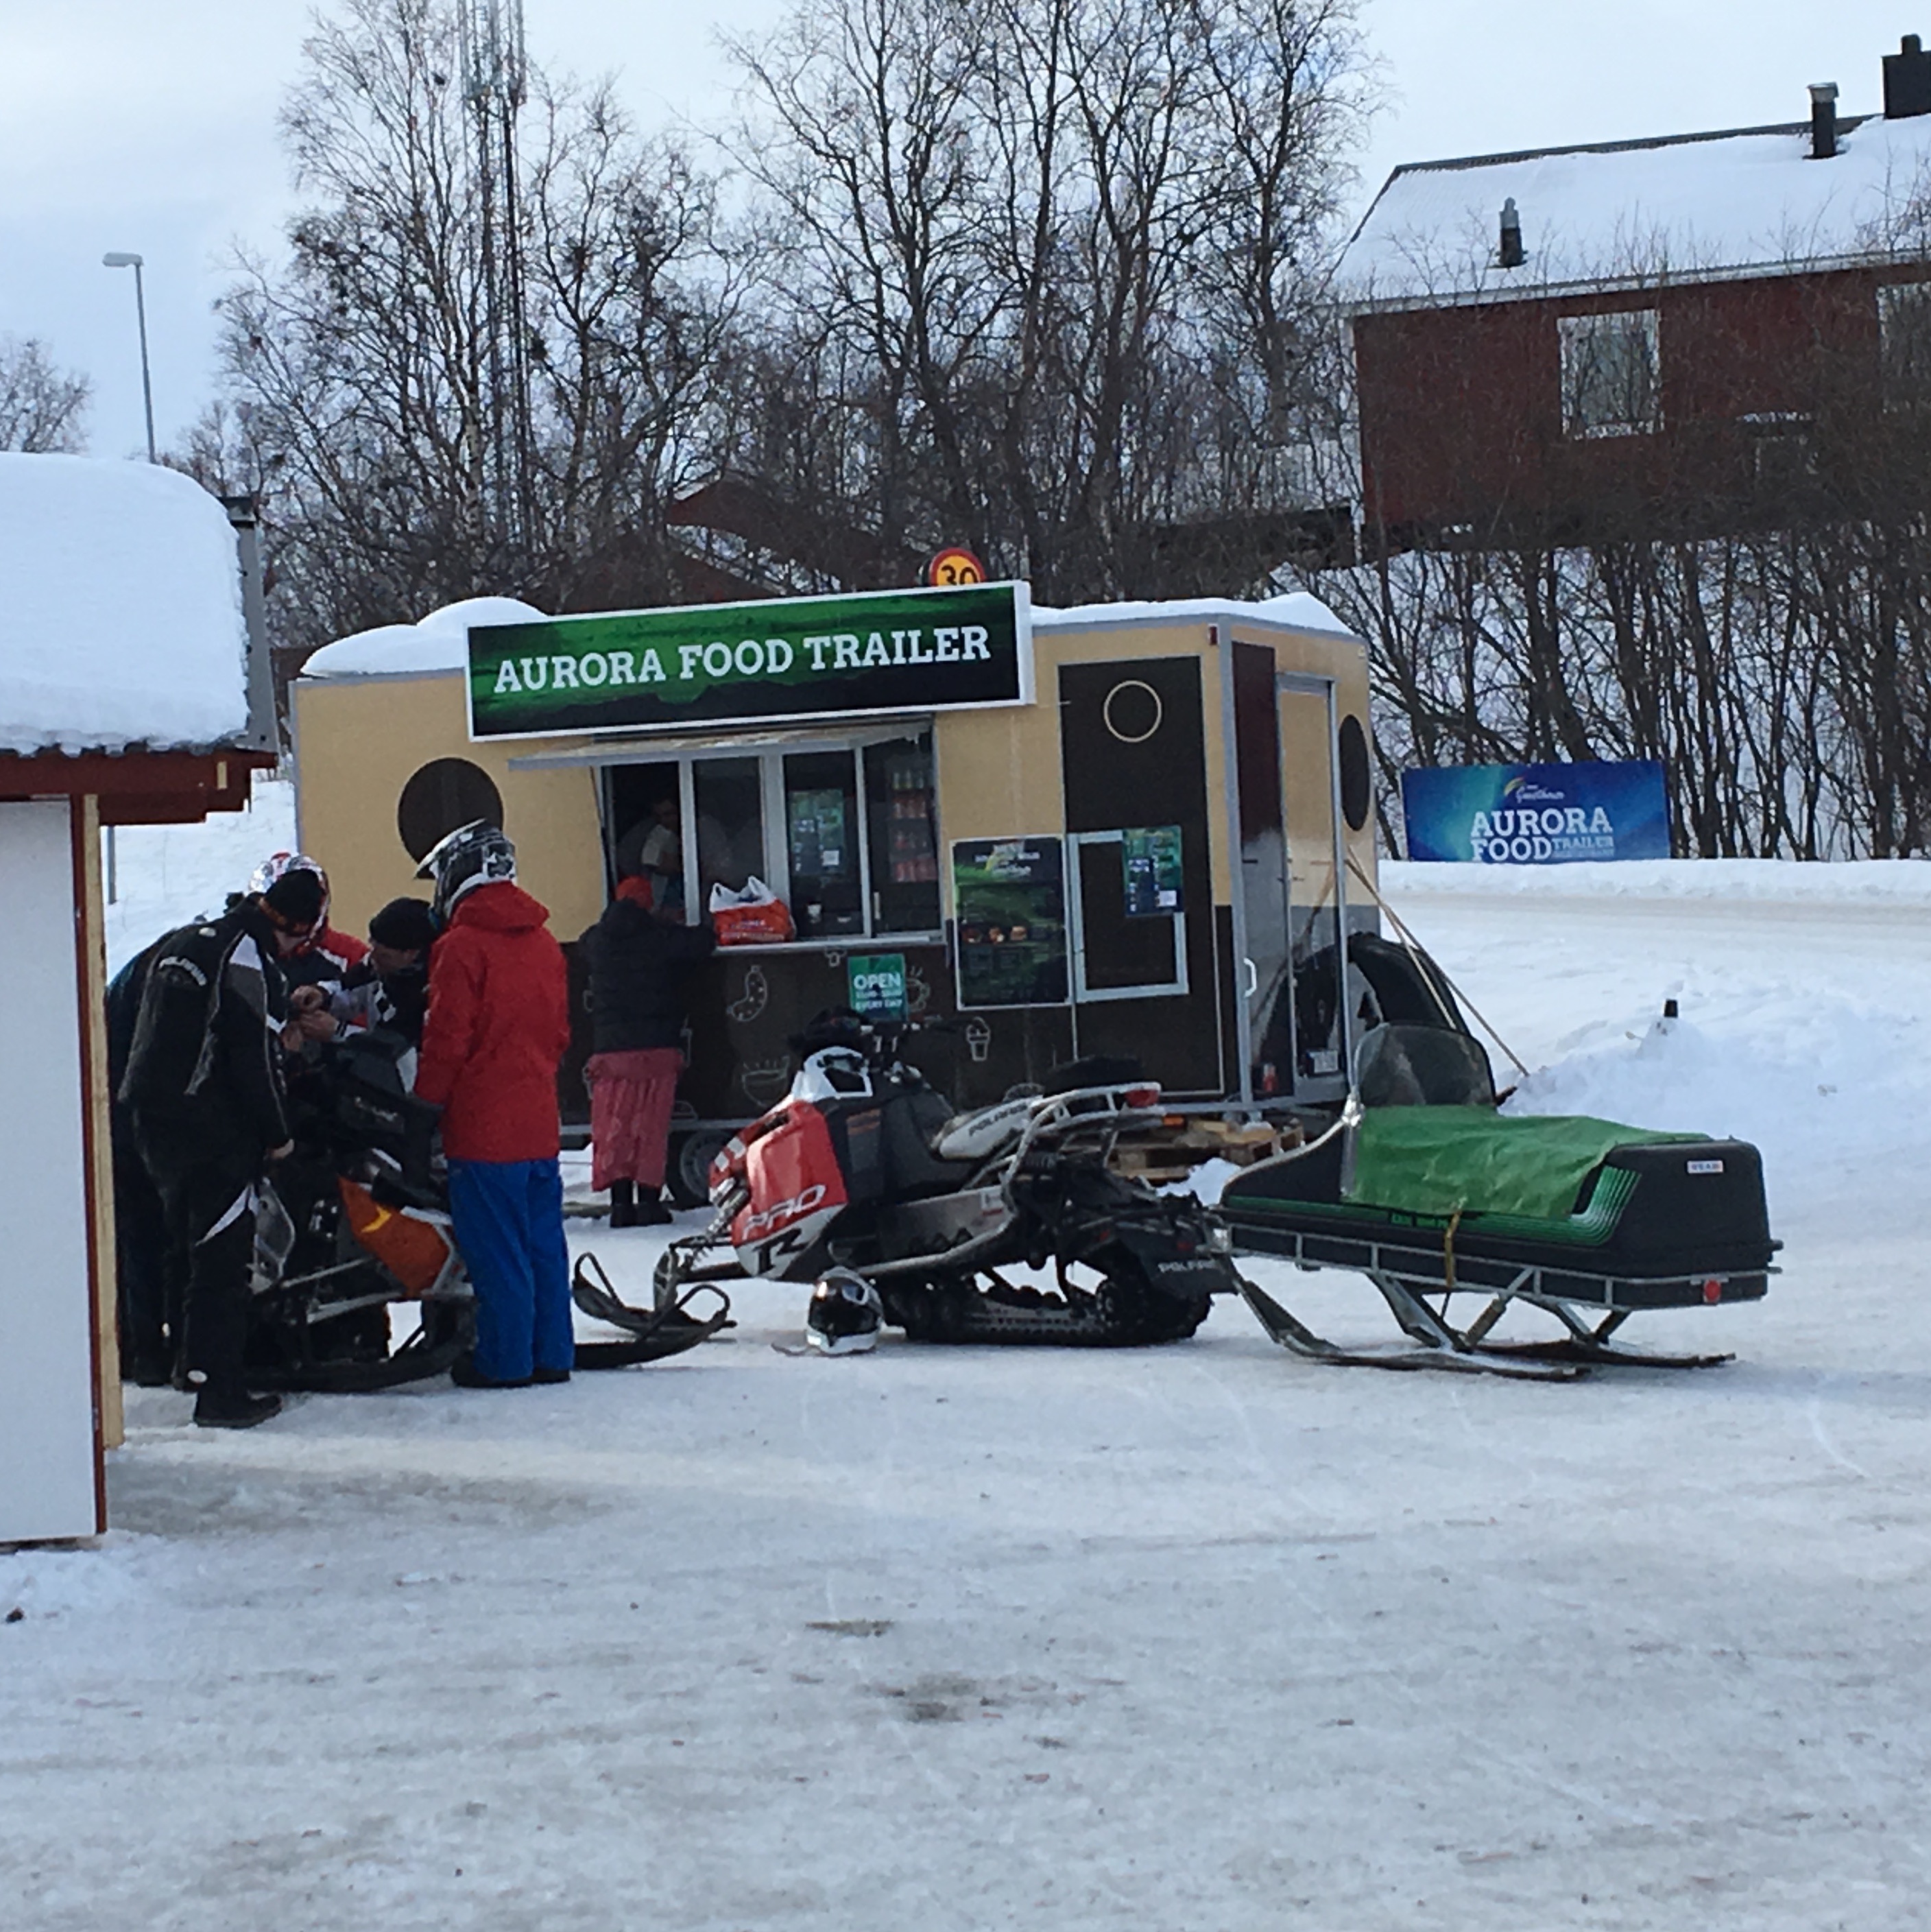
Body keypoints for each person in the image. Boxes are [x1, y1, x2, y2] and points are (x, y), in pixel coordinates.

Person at [119, 866, 327, 1428]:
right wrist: (279, 1135)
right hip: (210, 1127)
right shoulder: (247, 957)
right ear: (299, 927)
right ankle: (221, 1391)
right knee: (222, 1258)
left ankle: (184, 1363)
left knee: (181, 1244)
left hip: (148, 1117)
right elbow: (251, 1059)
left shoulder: (188, 940)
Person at [412, 822, 575, 1389]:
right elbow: (558, 1033)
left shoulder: (460, 946)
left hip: (482, 1125)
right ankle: (553, 1353)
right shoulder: (544, 943)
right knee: (543, 1248)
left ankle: (504, 1361)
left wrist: (423, 1106)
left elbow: (447, 1039)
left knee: (497, 1251)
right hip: (538, 1119)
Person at [579, 872, 715, 1226]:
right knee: (649, 1131)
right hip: (655, 1050)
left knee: (616, 1131)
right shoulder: (659, 937)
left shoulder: (598, 940)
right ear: (648, 903)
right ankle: (650, 1204)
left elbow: (582, 944)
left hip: (611, 1054)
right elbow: (702, 944)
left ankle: (620, 1206)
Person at [614, 796, 684, 916]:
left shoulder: (703, 830)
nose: (663, 821)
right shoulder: (647, 833)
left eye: (668, 815)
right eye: (658, 816)